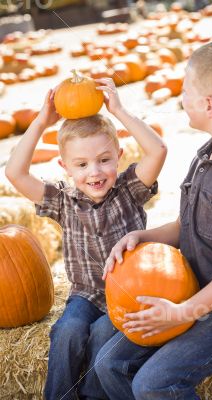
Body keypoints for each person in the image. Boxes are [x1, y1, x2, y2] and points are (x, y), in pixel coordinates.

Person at [94, 39, 212, 400]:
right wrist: (143, 235)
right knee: (108, 363)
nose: (180, 97)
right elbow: (187, 225)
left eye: (185, 90)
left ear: (209, 105)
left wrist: (181, 313)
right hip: (193, 293)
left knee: (154, 384)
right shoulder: (206, 155)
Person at [5, 77, 167, 400]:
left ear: (119, 156)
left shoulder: (128, 190)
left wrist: (118, 111)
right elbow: (15, 173)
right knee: (66, 331)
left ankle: (92, 396)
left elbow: (158, 149)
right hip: (85, 295)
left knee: (101, 336)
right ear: (65, 166)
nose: (94, 172)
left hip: (126, 295)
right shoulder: (63, 200)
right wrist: (40, 122)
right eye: (81, 164)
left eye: (104, 160)